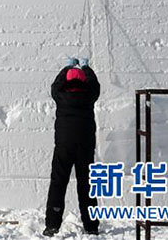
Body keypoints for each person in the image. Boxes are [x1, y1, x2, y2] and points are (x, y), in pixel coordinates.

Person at [44, 58, 100, 237]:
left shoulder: (60, 95)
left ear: (67, 80)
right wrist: (85, 67)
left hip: (64, 146)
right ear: (83, 81)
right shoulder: (89, 95)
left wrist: (68, 67)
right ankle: (91, 226)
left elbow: (56, 84)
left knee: (58, 183)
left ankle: (52, 225)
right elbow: (94, 83)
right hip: (85, 146)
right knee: (87, 185)